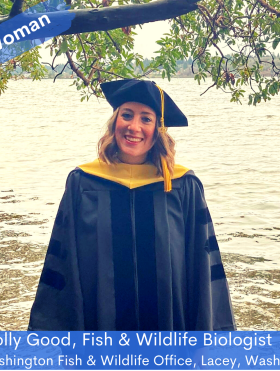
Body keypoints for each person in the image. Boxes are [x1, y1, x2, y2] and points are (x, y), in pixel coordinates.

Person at [28, 79, 236, 331]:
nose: (134, 126)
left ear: (158, 129)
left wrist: (205, 336)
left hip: (168, 327)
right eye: (126, 115)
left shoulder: (183, 186)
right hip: (100, 326)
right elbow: (63, 262)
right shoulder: (83, 183)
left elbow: (202, 266)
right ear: (115, 122)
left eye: (146, 118)